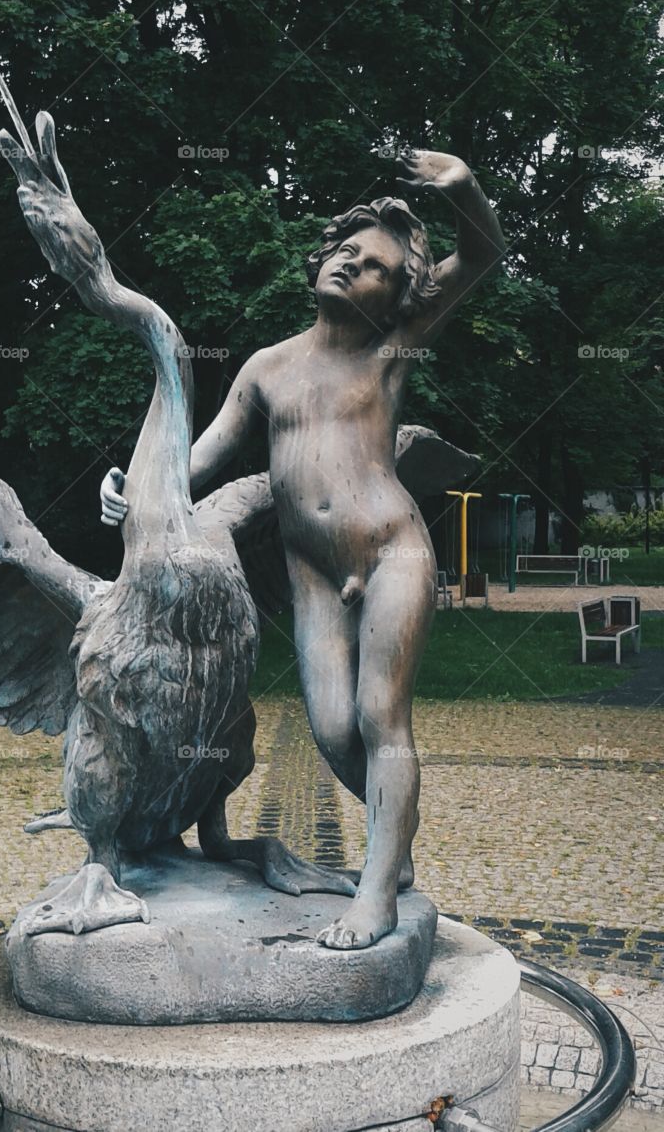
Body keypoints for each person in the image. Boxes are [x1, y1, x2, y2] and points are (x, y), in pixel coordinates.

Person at [101, 149, 505, 948]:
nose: (353, 265)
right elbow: (202, 456)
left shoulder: (391, 349)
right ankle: (398, 841)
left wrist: (463, 191)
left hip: (392, 550)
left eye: (377, 267)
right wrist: (137, 485)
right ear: (320, 259)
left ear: (398, 298)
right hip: (312, 572)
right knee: (332, 731)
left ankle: (379, 890)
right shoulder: (266, 369)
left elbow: (483, 255)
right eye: (345, 253)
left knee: (381, 716)